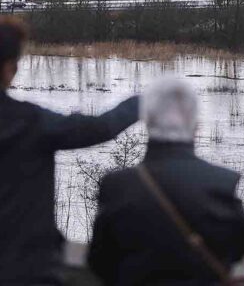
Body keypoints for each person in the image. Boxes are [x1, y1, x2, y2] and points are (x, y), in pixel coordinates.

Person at [0, 17, 140, 285]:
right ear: (9, 68)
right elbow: (100, 127)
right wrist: (141, 102)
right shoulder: (31, 123)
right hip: (27, 270)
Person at [89, 79, 244, 286]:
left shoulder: (116, 185)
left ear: (148, 123)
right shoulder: (223, 184)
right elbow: (243, 251)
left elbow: (98, 261)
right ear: (196, 126)